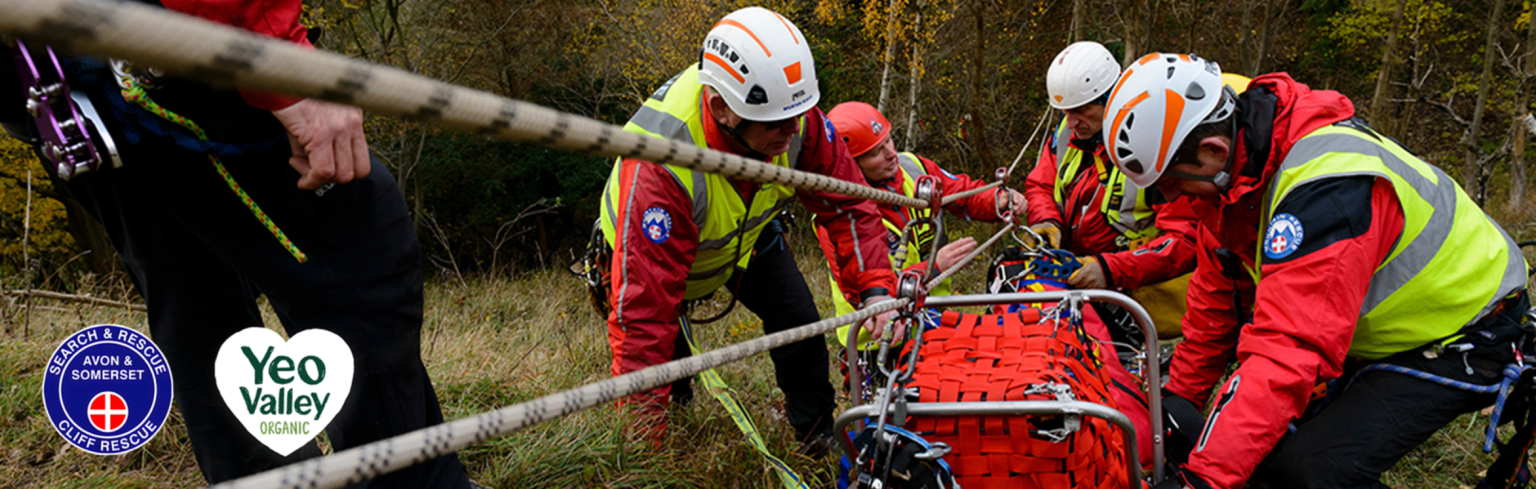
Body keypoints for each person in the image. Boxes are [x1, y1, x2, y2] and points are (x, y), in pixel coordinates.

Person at [1, 1, 471, 486]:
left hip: (45, 73)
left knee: (194, 286)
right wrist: (282, 60)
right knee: (357, 250)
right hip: (152, 48)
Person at [1103, 53, 1530, 489]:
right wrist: (1174, 407)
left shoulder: (1328, 189)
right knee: (1260, 455)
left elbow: (1287, 350)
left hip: (1467, 330)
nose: (1172, 200)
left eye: (1173, 183)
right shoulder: (1233, 187)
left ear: (1213, 150)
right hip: (1387, 330)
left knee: (1308, 474)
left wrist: (1202, 480)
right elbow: (1216, 310)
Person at [596, 7, 898, 449]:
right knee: (668, 364)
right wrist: (641, 450)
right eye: (776, 123)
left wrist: (876, 290)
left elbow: (848, 204)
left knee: (800, 322)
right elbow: (644, 317)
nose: (793, 131)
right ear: (722, 108)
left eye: (800, 113)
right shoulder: (660, 168)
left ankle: (816, 435)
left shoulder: (793, 115)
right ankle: (662, 437)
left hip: (748, 239)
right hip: (654, 251)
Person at [1025, 41, 1199, 345]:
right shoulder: (1067, 134)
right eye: (1065, 112)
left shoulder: (1152, 144)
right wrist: (1046, 221)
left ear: (1112, 99)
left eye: (1081, 110)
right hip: (1084, 285)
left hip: (1144, 299)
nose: (1071, 122)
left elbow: (1185, 240)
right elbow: (1041, 185)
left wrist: (1110, 269)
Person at [815, 100, 1026, 345]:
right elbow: (863, 291)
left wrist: (997, 200)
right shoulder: (837, 218)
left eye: (888, 141)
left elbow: (960, 192)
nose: (890, 153)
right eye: (875, 152)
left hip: (933, 322)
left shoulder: (912, 167)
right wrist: (933, 267)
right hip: (880, 341)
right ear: (851, 164)